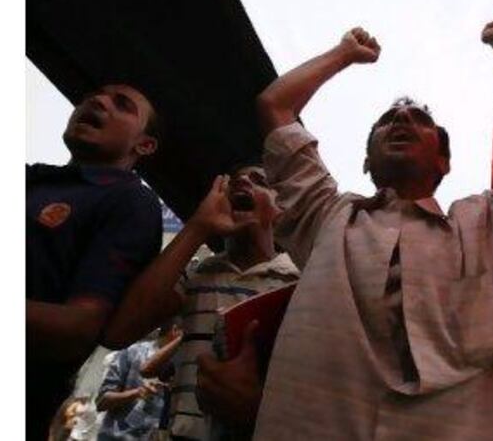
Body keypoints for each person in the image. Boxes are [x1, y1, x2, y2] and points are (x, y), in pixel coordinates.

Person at [252, 13, 493, 439]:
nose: (400, 120)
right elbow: (276, 107)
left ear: (444, 162)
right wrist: (342, 55)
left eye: (418, 119)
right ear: (366, 161)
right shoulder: (325, 217)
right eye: (387, 120)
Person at [103, 163, 301, 440]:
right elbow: (119, 331)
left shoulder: (297, 284)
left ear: (280, 210)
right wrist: (198, 226)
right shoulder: (196, 272)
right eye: (234, 181)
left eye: (259, 181)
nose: (243, 181)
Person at [27, 83, 164, 440]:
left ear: (144, 144)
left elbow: (79, 327)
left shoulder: (129, 201)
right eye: (93, 96)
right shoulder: (30, 179)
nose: (98, 101)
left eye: (122, 105)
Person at [96, 327, 180, 440]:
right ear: (175, 331)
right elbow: (102, 402)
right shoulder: (133, 352)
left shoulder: (184, 365)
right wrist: (137, 392)